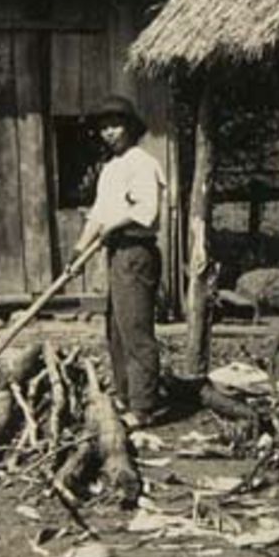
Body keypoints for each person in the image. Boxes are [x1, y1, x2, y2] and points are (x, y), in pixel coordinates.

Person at [68, 94, 166, 427]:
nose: (110, 132)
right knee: (116, 330)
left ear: (130, 128)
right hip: (115, 252)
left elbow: (144, 211)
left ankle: (143, 406)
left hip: (136, 252)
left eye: (116, 125)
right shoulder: (111, 169)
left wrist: (110, 227)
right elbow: (98, 215)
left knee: (136, 329)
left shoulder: (142, 162)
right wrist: (79, 251)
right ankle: (124, 396)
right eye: (105, 127)